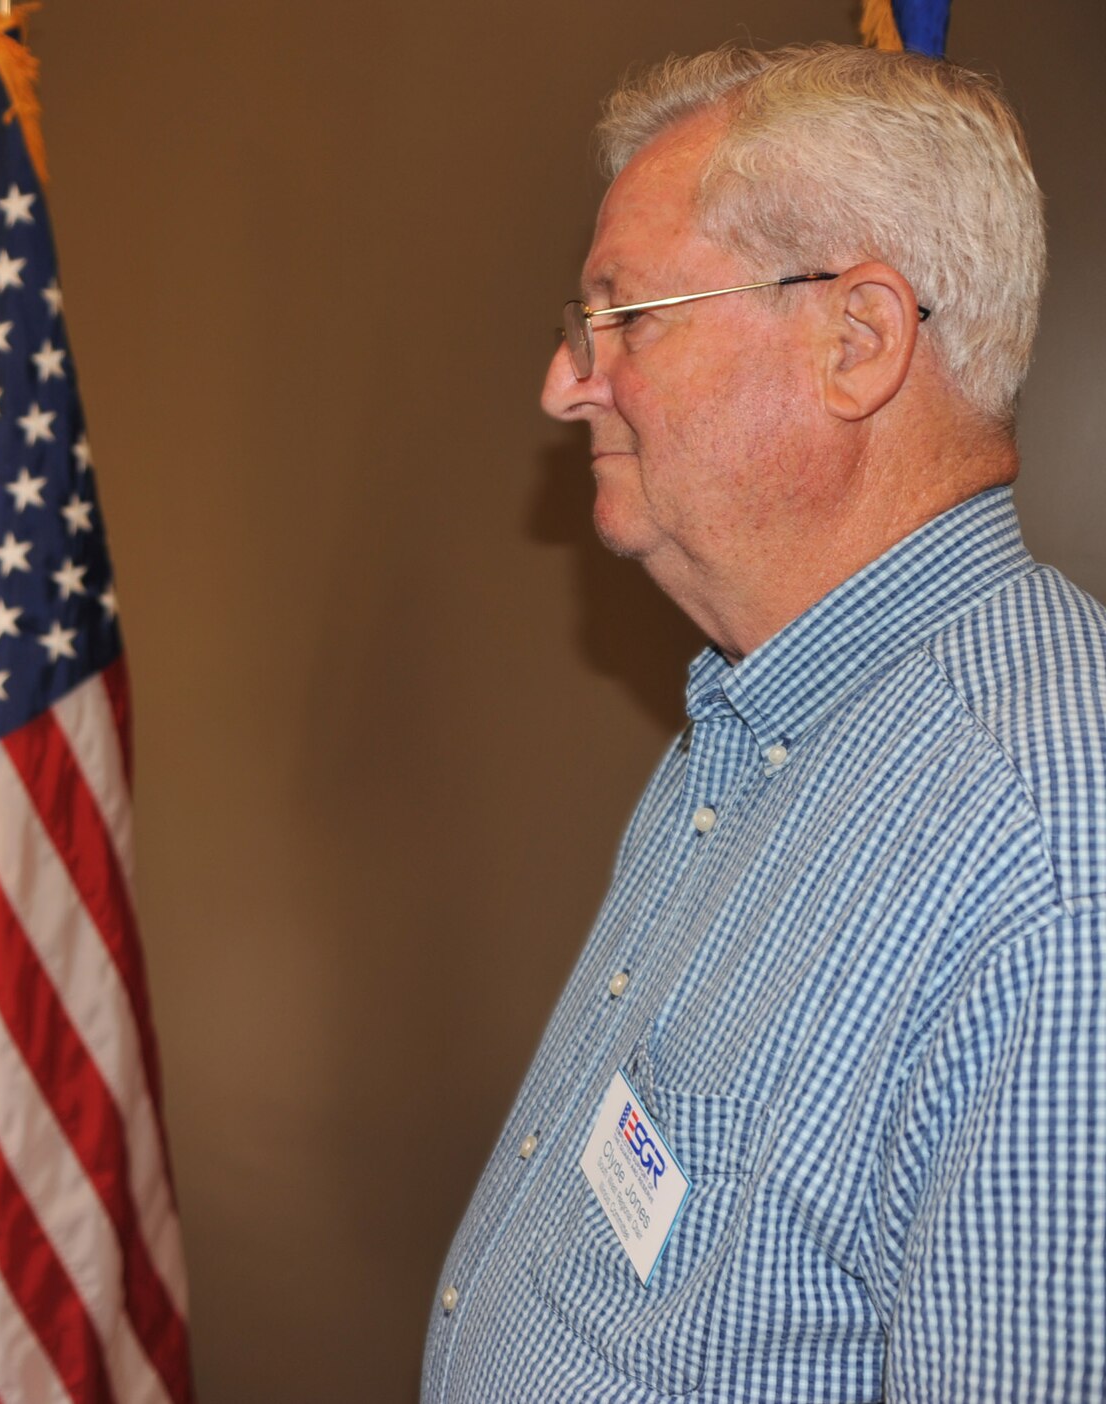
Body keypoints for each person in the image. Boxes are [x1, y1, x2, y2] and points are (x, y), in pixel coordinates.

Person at [423, 44, 1102, 1402]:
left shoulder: (1046, 855)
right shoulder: (753, 723)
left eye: (627, 316)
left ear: (856, 341)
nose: (568, 383)